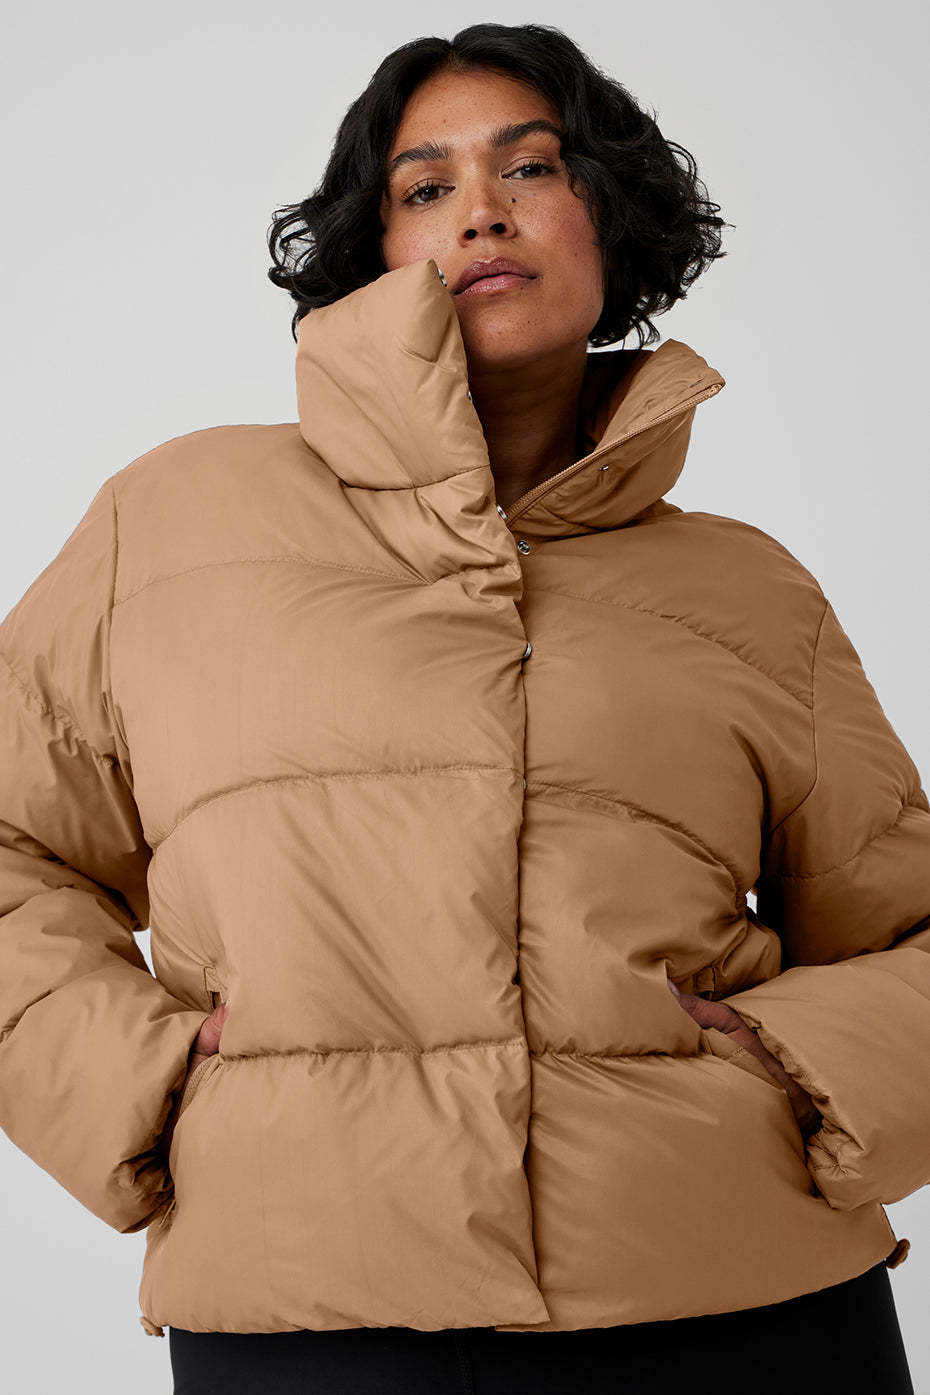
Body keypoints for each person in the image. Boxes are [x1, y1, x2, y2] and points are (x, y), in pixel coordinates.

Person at [0, 21, 922, 1395]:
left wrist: (794, 1063)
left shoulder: (748, 589)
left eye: (531, 167)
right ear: (372, 250)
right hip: (313, 1309)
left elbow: (904, 928)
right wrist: (146, 1075)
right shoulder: (171, 522)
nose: (482, 210)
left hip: (740, 1291)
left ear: (609, 215)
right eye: (425, 187)